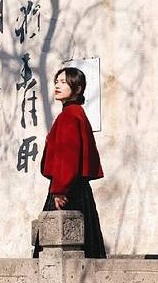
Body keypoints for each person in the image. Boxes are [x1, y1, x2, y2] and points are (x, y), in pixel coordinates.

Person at [33, 67, 106, 258]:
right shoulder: (77, 113)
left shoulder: (69, 115)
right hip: (77, 188)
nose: (58, 85)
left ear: (78, 89)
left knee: (54, 249)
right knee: (88, 244)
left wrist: (60, 190)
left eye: (64, 82)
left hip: (67, 190)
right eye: (57, 81)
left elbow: (68, 155)